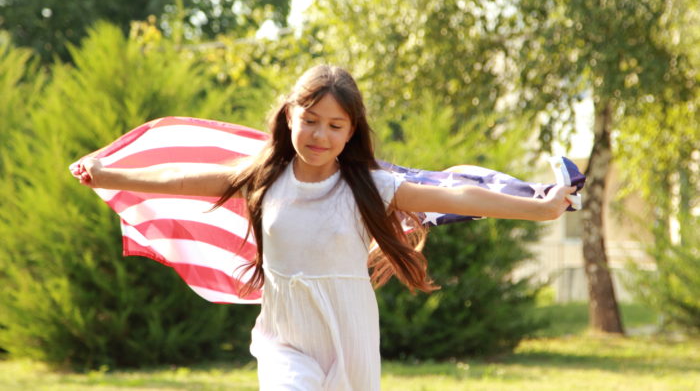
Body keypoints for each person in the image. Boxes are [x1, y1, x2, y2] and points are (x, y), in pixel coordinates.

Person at [75, 65, 576, 390]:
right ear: (291, 115)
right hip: (284, 333)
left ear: (351, 131)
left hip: (349, 330)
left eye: (336, 126)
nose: (320, 134)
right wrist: (109, 173)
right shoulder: (263, 175)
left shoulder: (371, 185)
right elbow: (182, 178)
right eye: (311, 120)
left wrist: (540, 208)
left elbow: (456, 194)